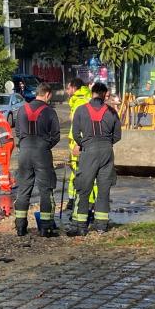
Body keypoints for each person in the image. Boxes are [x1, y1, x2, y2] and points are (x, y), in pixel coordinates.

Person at [72, 82, 122, 233]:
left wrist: (84, 144)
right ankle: (101, 226)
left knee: (84, 189)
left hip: (88, 152)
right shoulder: (112, 112)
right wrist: (106, 143)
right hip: (107, 152)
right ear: (105, 94)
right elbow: (118, 136)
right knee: (103, 189)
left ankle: (81, 226)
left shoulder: (81, 110)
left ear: (92, 92)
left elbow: (75, 134)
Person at [14, 83, 60, 237]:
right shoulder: (49, 111)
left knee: (23, 189)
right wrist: (45, 146)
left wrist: (25, 145)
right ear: (47, 94)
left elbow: (18, 133)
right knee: (45, 190)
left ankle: (20, 227)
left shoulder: (21, 110)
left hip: (24, 151)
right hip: (42, 152)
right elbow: (56, 135)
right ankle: (45, 228)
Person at [66, 78, 92, 213]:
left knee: (78, 171)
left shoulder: (80, 101)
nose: (66, 91)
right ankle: (83, 200)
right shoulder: (84, 98)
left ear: (74, 88)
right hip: (84, 141)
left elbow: (79, 125)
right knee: (81, 170)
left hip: (79, 142)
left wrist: (77, 143)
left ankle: (76, 201)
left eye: (68, 87)